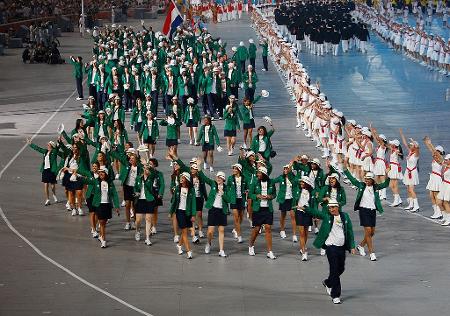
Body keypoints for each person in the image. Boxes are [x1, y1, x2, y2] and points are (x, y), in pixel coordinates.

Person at [303, 199, 355, 304]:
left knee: (341, 269)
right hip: (331, 247)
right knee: (334, 269)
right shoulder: (327, 217)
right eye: (329, 208)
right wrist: (305, 208)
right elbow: (316, 212)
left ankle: (328, 282)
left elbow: (349, 231)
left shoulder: (345, 216)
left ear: (337, 207)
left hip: (341, 247)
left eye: (332, 207)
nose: (331, 209)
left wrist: (352, 246)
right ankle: (335, 295)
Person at [344, 168, 389, 261]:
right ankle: (372, 253)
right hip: (363, 210)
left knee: (372, 232)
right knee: (368, 231)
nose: (366, 180)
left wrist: (387, 175)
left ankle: (361, 246)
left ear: (372, 180)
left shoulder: (376, 187)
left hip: (372, 211)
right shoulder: (361, 185)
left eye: (368, 179)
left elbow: (385, 184)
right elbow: (352, 180)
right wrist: (345, 169)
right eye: (366, 179)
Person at [82, 166, 120, 248]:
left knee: (104, 222)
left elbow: (114, 195)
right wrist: (77, 175)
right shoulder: (96, 181)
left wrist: (117, 206)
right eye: (99, 173)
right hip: (99, 204)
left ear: (106, 173)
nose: (100, 174)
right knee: (102, 222)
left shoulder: (110, 183)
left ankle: (101, 235)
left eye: (102, 172)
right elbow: (87, 181)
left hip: (107, 205)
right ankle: (103, 240)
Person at [248, 167, 277, 259]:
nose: (258, 174)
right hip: (258, 209)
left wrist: (270, 196)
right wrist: (257, 196)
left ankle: (270, 251)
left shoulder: (271, 182)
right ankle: (251, 245)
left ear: (264, 174)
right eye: (257, 173)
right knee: (257, 229)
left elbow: (274, 194)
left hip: (268, 209)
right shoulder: (255, 182)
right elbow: (250, 195)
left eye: (259, 173)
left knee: (268, 228)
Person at [200, 170, 230, 257]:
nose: (218, 179)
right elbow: (204, 178)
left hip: (222, 211)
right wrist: (198, 167)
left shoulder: (226, 188)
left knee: (221, 230)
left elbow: (229, 200)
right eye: (217, 177)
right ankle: (208, 244)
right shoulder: (213, 184)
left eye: (220, 178)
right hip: (213, 210)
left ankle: (221, 250)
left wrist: (223, 193)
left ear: (223, 179)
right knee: (210, 231)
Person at [169, 172, 196, 259]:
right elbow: (174, 202)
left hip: (188, 213)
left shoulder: (191, 190)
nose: (181, 179)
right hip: (179, 212)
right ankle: (188, 251)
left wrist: (193, 215)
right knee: (184, 231)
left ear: (187, 179)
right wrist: (171, 212)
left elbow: (193, 203)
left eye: (183, 178)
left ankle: (179, 245)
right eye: (181, 178)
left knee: (186, 231)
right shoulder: (178, 188)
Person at [26, 138, 60, 205]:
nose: (47, 145)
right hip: (45, 170)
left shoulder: (54, 151)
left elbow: (57, 147)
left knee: (52, 186)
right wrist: (30, 144)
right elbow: (38, 148)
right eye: (47, 144)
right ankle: (47, 199)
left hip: (52, 170)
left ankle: (54, 195)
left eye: (48, 144)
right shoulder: (45, 151)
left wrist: (59, 141)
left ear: (51, 146)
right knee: (46, 185)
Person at [292, 176, 316, 261]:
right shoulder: (298, 189)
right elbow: (293, 179)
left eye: (303, 182)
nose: (301, 183)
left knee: (306, 233)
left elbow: (313, 204)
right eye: (301, 182)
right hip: (299, 212)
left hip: (308, 212)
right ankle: (303, 252)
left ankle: (303, 247)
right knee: (301, 233)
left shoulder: (312, 192)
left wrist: (314, 214)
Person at [134, 163, 157, 246]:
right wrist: (135, 192)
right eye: (145, 169)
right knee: (138, 220)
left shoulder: (151, 177)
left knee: (148, 219)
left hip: (149, 200)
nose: (146, 170)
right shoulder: (138, 178)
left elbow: (154, 172)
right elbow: (135, 187)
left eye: (147, 169)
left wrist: (148, 165)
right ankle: (137, 231)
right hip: (140, 200)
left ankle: (147, 238)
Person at [273, 164, 297, 242]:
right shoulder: (281, 177)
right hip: (283, 199)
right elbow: (272, 181)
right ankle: (282, 230)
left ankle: (294, 234)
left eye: (287, 169)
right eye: (284, 169)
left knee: (293, 216)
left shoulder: (293, 179)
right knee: (283, 215)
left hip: (291, 199)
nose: (285, 170)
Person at [423, 136, 445, 219]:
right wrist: (426, 143)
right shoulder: (434, 158)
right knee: (431, 195)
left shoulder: (441, 160)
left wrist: (430, 143)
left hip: (437, 178)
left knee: (436, 195)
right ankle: (436, 212)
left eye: (438, 152)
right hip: (432, 178)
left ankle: (439, 212)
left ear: (440, 153)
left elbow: (434, 151)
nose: (435, 153)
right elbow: (432, 151)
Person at [399, 129, 420, 212]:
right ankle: (411, 205)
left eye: (411, 145)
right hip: (407, 172)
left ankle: (416, 205)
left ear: (414, 146)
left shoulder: (416, 154)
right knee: (408, 189)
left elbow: (417, 148)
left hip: (413, 172)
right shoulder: (410, 152)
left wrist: (413, 141)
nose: (410, 146)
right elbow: (404, 143)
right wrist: (401, 134)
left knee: (411, 189)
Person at [227, 163, 247, 243]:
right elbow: (228, 187)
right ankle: (239, 236)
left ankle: (235, 229)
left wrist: (246, 191)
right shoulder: (230, 178)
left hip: (241, 200)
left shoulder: (244, 178)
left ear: (239, 170)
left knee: (241, 217)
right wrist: (229, 195)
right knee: (236, 218)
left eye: (235, 169)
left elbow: (247, 188)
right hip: (234, 200)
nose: (234, 170)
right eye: (233, 169)